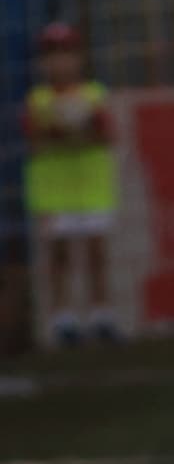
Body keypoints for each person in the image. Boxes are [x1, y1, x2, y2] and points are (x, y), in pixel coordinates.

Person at [23, 21, 115, 347]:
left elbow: (106, 136)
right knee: (60, 256)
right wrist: (63, 133)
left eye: (67, 53)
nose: (60, 62)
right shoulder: (38, 100)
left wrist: (78, 130)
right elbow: (35, 140)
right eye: (52, 55)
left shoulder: (93, 95)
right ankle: (64, 321)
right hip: (55, 191)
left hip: (91, 185)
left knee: (95, 253)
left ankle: (102, 316)